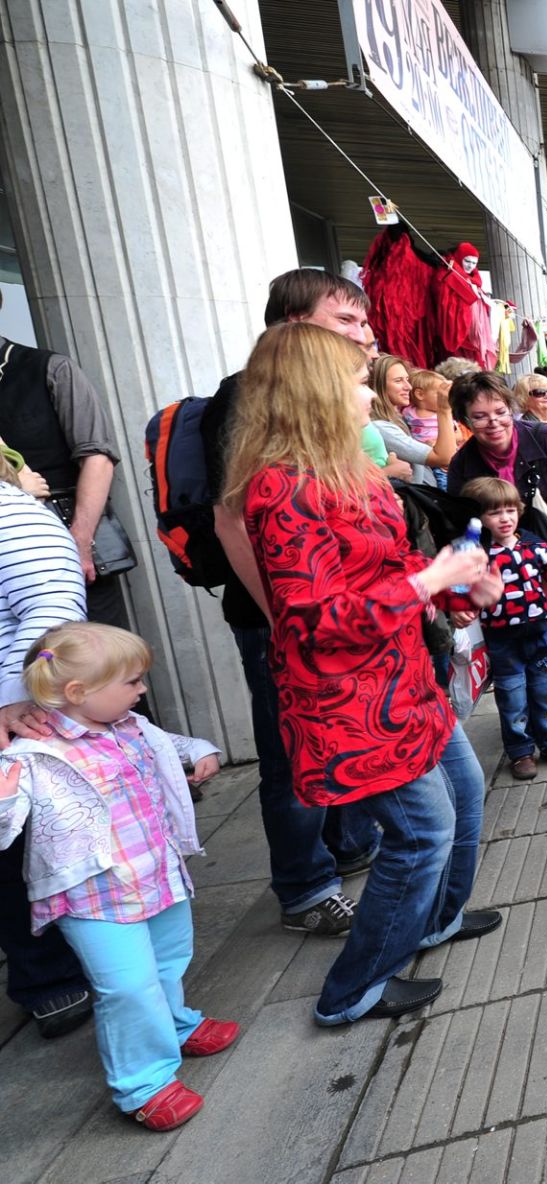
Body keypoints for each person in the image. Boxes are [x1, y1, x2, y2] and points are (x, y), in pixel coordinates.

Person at [226, 321, 506, 1026]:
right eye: (357, 381)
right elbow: (313, 620)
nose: (372, 392)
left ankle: (434, 922)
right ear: (315, 392)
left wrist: (454, 582)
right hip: (352, 702)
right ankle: (353, 990)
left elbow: (387, 573)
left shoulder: (348, 471)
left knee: (464, 796)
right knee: (420, 836)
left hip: (400, 679)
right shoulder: (283, 491)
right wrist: (432, 581)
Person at [204, 270, 382, 937]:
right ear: (290, 325)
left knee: (342, 739)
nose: (363, 336)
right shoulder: (250, 397)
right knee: (294, 755)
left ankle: (353, 845)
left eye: (363, 323)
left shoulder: (329, 396)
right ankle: (306, 887)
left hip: (335, 616)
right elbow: (231, 520)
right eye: (345, 322)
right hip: (281, 619)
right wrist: (287, 619)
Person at [0, 623, 233, 1130]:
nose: (143, 689)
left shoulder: (130, 725)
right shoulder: (33, 753)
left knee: (169, 960)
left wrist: (196, 747)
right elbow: (6, 824)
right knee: (127, 987)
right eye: (132, 682)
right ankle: (143, 1085)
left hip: (158, 873)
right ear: (80, 692)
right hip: (94, 897)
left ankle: (172, 1023)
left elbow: (167, 744)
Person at [0, 462, 92, 1039]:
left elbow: (53, 601)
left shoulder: (8, 514)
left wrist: (13, 699)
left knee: (26, 848)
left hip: (19, 719)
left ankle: (55, 973)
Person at [0, 293, 133, 632]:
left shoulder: (50, 368)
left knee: (101, 668)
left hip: (66, 540)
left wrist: (79, 541)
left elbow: (98, 459)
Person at [460, 477, 547, 781]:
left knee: (544, 690)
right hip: (502, 638)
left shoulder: (534, 545)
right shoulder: (477, 554)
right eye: (494, 513)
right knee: (512, 696)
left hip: (538, 632)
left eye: (510, 510)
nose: (504, 518)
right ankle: (520, 750)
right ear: (479, 519)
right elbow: (462, 590)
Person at [446, 371, 547, 544]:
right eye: (480, 417)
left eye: (501, 412)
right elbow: (461, 523)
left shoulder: (545, 437)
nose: (493, 422)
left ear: (511, 408)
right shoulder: (461, 464)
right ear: (465, 422)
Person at [367, 355, 457, 485]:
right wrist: (444, 409)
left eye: (407, 380)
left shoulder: (400, 417)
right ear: (378, 386)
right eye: (398, 381)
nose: (408, 387)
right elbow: (445, 458)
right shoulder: (381, 427)